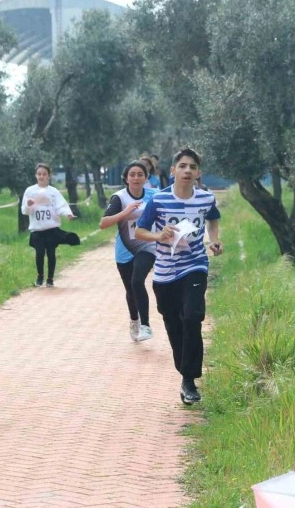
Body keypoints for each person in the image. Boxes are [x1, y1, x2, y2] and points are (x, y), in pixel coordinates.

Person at [135, 148, 223, 405]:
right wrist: (158, 235)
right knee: (174, 324)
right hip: (165, 272)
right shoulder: (159, 200)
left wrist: (215, 241)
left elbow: (213, 219)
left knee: (193, 316)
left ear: (198, 173)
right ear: (173, 171)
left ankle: (189, 380)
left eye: (192, 167)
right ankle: (184, 372)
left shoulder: (206, 198)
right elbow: (140, 231)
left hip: (194, 265)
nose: (187, 171)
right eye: (182, 166)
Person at [99, 161, 157, 342]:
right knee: (131, 289)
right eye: (132, 174)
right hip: (125, 249)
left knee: (137, 280)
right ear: (126, 178)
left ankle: (146, 326)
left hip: (147, 246)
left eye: (140, 174)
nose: (136, 178)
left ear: (146, 178)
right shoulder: (119, 198)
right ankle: (134, 320)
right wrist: (125, 213)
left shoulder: (154, 195)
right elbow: (103, 224)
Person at [21, 163, 79, 287]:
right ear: (35, 175)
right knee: (39, 253)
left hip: (51, 228)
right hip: (37, 229)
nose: (41, 176)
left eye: (44, 174)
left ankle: (50, 278)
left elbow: (61, 206)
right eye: (39, 174)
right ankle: (40, 276)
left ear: (49, 176)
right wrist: (29, 204)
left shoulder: (53, 192)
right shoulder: (30, 191)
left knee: (51, 253)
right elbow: (25, 211)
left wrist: (68, 214)